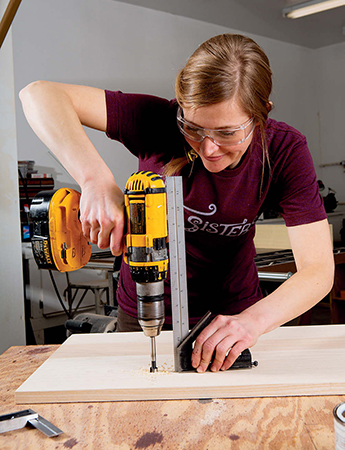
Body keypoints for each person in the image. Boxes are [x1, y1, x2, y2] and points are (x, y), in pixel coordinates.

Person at [19, 33, 334, 373]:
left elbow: (318, 271)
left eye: (227, 133)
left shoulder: (284, 150)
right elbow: (38, 94)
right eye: (194, 128)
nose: (208, 148)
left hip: (232, 317)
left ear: (262, 115)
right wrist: (94, 178)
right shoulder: (158, 120)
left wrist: (251, 322)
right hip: (142, 308)